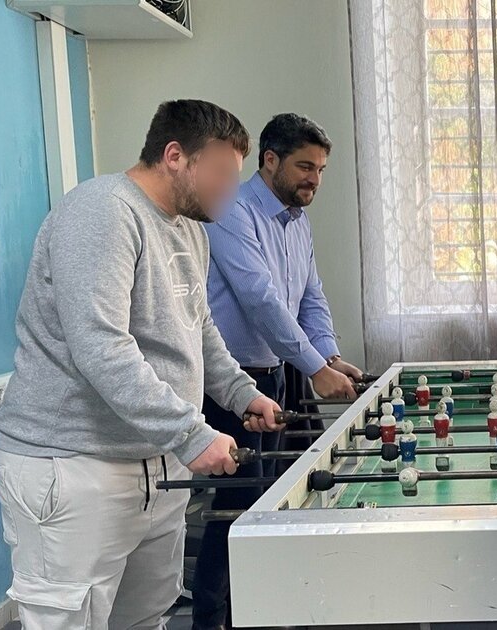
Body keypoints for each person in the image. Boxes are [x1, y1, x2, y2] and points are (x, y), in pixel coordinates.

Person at [0, 99, 282, 628]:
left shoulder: (189, 229)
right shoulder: (102, 213)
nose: (230, 190)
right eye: (221, 173)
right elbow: (101, 346)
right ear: (175, 156)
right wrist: (191, 433)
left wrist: (241, 393)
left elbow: (198, 329)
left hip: (156, 465)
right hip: (73, 465)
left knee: (147, 618)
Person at [192, 113, 361, 628]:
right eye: (305, 166)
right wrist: (313, 366)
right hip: (232, 382)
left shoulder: (296, 220)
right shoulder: (233, 211)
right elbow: (260, 300)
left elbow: (311, 295)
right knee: (237, 507)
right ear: (270, 160)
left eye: (321, 169)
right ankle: (211, 620)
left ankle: (263, 612)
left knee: (281, 498)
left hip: (279, 374)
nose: (315, 179)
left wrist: (326, 356)